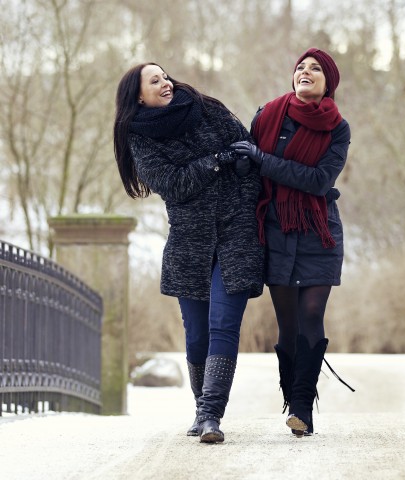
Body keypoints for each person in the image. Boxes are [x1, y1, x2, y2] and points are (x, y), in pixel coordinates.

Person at [113, 63, 264, 443]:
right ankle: (201, 410)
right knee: (197, 335)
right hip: (190, 245)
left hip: (236, 237)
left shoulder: (207, 108)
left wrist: (242, 165)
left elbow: (246, 151)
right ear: (139, 97)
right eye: (154, 81)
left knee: (223, 325)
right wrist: (217, 161)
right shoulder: (140, 138)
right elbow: (174, 184)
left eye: (165, 76)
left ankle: (212, 414)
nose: (165, 83)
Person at [231, 48, 354, 437]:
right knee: (287, 324)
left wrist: (261, 160)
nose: (306, 72)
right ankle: (292, 395)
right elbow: (248, 173)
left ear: (327, 82)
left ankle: (303, 407)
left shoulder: (338, 128)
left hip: (319, 231)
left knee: (311, 316)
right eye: (301, 67)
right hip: (276, 230)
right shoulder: (267, 116)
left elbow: (319, 180)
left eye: (316, 69)